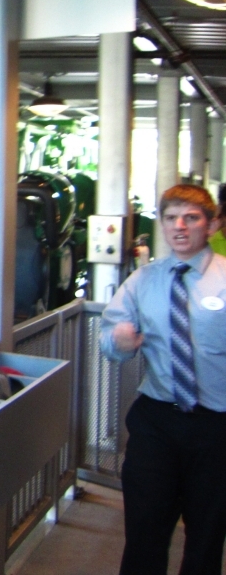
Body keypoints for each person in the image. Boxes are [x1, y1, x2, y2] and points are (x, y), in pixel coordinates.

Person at [100, 184, 226, 575]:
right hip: (157, 420)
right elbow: (110, 340)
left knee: (207, 535)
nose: (180, 227)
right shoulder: (143, 280)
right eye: (171, 218)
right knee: (144, 531)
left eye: (192, 218)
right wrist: (118, 341)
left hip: (216, 426)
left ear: (212, 224)